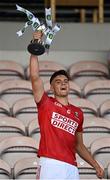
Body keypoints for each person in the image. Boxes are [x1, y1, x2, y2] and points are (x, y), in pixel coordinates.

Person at [29, 31, 104, 180]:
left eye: (65, 81)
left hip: (71, 167)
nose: (63, 83)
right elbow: (35, 76)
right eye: (58, 81)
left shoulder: (78, 113)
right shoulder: (45, 103)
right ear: (51, 88)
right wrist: (35, 46)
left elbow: (79, 146)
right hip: (50, 164)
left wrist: (95, 165)